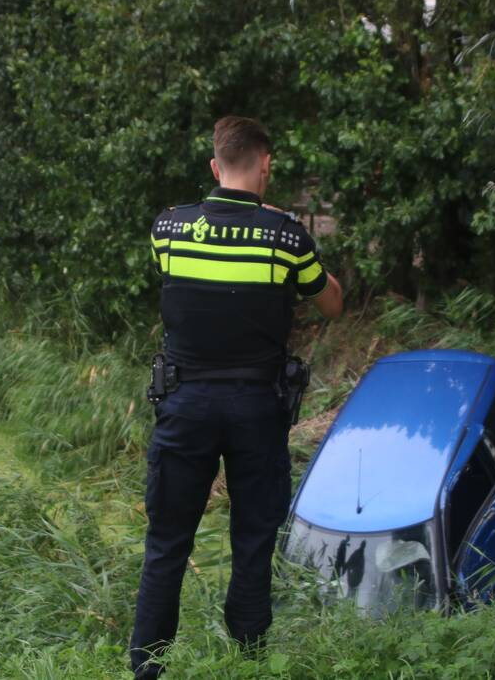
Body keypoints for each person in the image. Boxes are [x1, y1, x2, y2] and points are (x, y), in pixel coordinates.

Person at [130, 116, 343, 678]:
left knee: (167, 542)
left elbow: (175, 281)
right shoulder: (286, 238)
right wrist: (282, 225)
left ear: (214, 165)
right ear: (266, 166)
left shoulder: (169, 229)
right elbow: (333, 305)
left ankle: (147, 669)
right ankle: (248, 664)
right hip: (256, 410)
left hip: (185, 405)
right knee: (252, 540)